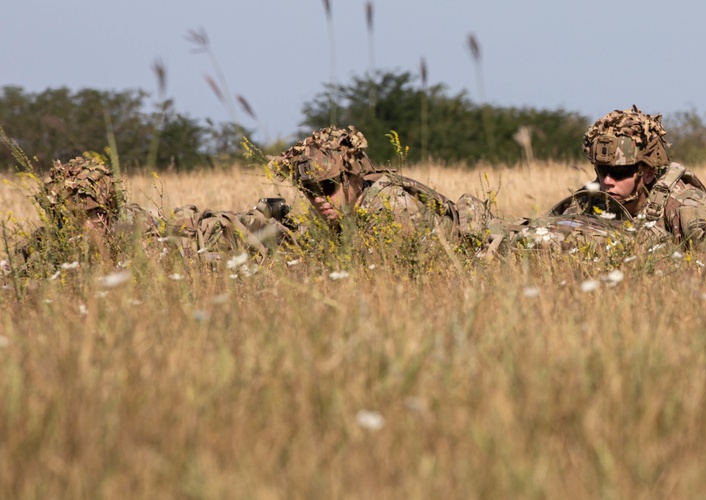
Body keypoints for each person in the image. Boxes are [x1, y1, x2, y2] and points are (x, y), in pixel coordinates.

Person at [2, 155, 295, 278]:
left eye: (98, 213)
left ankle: (264, 213)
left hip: (190, 236)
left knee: (213, 226)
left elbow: (186, 244)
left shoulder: (134, 231)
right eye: (74, 217)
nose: (92, 223)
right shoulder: (44, 247)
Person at [546, 106, 706, 249]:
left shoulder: (682, 208)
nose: (607, 181)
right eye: (601, 170)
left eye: (619, 172)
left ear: (648, 173)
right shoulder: (587, 201)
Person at [272, 125, 489, 245]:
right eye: (310, 192)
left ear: (354, 177)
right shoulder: (346, 208)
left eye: (328, 187)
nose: (319, 199)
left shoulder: (390, 208)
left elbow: (380, 278)